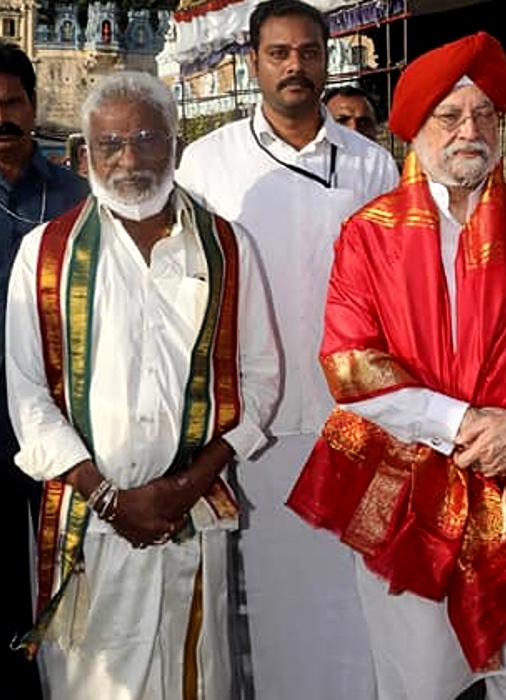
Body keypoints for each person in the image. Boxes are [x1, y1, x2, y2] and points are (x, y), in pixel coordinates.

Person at [286, 31, 506, 700]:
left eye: (484, 116)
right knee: (417, 676)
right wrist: (466, 423)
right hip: (408, 485)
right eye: (450, 116)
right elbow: (350, 363)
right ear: (415, 129)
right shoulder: (368, 234)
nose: (469, 131)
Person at [6, 71, 279, 700]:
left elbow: (259, 382)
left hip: (190, 519)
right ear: (84, 153)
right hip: (91, 531)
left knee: (197, 681)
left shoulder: (226, 248)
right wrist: (109, 498)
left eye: (146, 140)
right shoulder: (44, 254)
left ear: (175, 147)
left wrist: (187, 485)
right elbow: (28, 396)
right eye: (110, 145)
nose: (129, 159)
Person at [175, 1, 399, 698]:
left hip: (353, 421)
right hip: (253, 428)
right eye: (279, 53)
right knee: (261, 618)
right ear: (253, 61)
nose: (295, 66)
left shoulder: (372, 164)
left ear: (327, 59)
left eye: (308, 52)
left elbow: (398, 291)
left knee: (356, 617)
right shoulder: (208, 164)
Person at [0, 41, 88, 700]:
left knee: (60, 577)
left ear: (32, 106)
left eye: (10, 103)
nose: (1, 118)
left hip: (60, 424)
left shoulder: (76, 199)